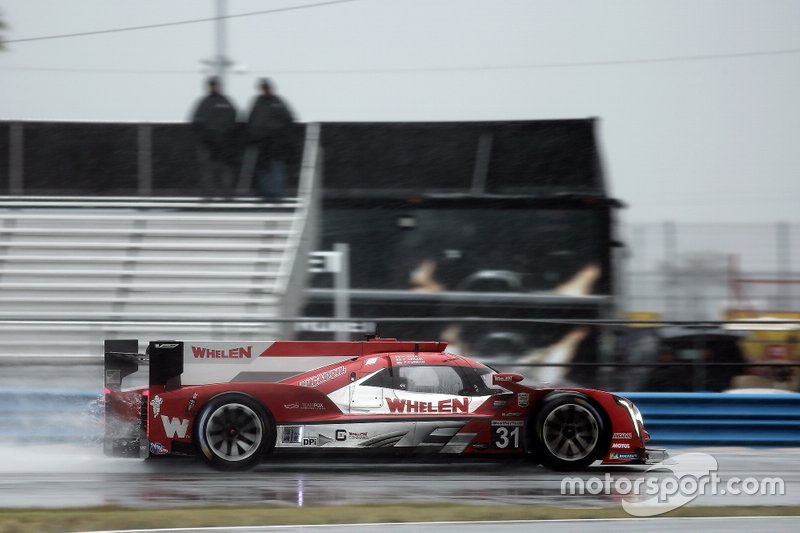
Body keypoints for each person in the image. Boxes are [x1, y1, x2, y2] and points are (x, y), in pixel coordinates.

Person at [242, 78, 295, 199]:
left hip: (276, 143)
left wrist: (276, 132)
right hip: (262, 143)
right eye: (263, 88)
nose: (265, 90)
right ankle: (266, 193)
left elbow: (288, 120)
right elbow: (251, 121)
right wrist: (253, 136)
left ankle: (277, 194)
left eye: (266, 87)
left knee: (276, 167)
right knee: (263, 168)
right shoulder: (257, 102)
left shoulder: (277, 102)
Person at [190, 76, 237, 197]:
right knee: (208, 168)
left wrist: (225, 134)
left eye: (214, 85)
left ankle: (226, 193)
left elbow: (233, 119)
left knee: (224, 168)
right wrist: (203, 136)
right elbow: (195, 121)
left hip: (223, 142)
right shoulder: (204, 102)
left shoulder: (225, 102)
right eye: (211, 85)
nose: (212, 87)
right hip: (208, 143)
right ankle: (208, 193)